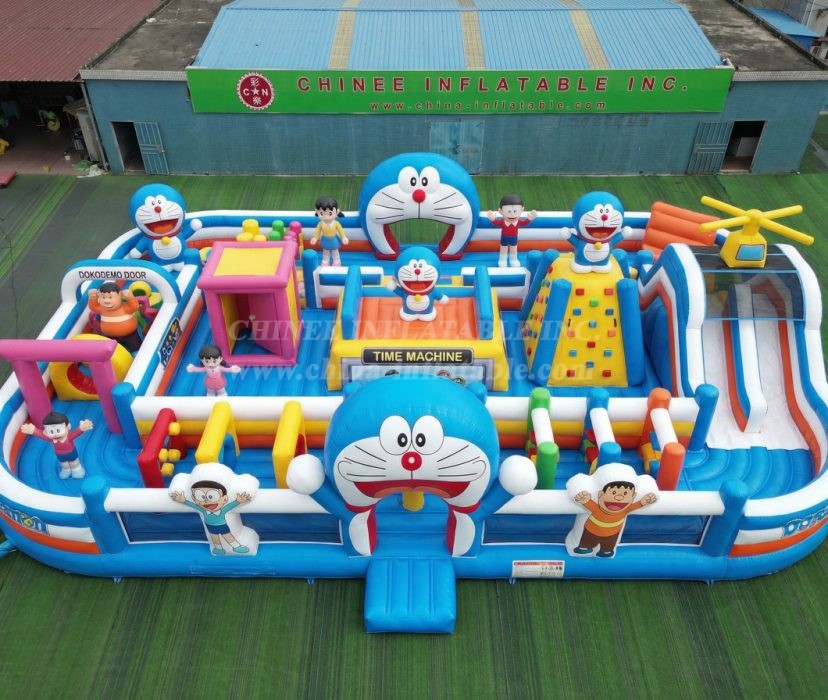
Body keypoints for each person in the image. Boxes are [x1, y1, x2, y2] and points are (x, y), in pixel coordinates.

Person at [572, 480, 657, 557]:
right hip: (591, 531)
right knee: (587, 542)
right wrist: (585, 500)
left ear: (633, 496)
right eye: (613, 493)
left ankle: (606, 551)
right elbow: (588, 503)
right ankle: (585, 547)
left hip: (612, 534)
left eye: (625, 494)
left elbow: (638, 504)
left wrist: (644, 501)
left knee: (608, 545)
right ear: (600, 494)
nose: (618, 498)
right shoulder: (597, 508)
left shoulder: (626, 509)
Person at [170, 480, 251, 555]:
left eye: (212, 496)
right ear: (195, 499)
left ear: (224, 499)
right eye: (201, 496)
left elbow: (230, 506)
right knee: (214, 538)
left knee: (228, 536)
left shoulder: (223, 510)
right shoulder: (203, 510)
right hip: (210, 526)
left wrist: (238, 501)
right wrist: (184, 501)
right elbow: (193, 505)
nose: (206, 501)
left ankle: (236, 546)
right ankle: (219, 548)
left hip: (222, 526)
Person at [20, 411, 93, 479]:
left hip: (71, 453)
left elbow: (76, 433)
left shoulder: (68, 437)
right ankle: (66, 470)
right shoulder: (51, 439)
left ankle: (76, 469)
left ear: (68, 427)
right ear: (46, 432)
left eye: (58, 430)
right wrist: (33, 430)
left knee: (74, 462)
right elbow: (41, 435)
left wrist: (81, 428)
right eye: (51, 431)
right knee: (64, 464)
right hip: (60, 455)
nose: (55, 434)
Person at [88, 281, 142, 352]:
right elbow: (93, 306)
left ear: (120, 295)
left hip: (130, 336)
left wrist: (130, 297)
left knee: (137, 349)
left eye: (110, 297)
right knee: (110, 351)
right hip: (110, 337)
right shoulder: (102, 309)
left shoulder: (125, 308)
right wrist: (92, 298)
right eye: (103, 297)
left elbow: (135, 307)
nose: (107, 301)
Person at [487, 194, 537, 268]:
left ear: (522, 210)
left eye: (515, 211)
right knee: (503, 249)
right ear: (501, 211)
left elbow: (524, 223)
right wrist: (493, 219)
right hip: (504, 237)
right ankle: (502, 260)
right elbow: (497, 223)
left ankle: (513, 260)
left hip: (514, 238)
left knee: (513, 249)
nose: (512, 214)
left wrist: (529, 219)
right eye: (509, 211)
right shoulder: (503, 222)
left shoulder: (518, 222)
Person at [310, 196, 348, 266]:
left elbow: (341, 230)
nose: (326, 217)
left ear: (337, 212)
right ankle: (325, 262)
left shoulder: (336, 223)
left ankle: (336, 262)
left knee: (335, 252)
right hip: (325, 240)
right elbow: (317, 231)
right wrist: (315, 238)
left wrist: (344, 237)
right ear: (317, 212)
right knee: (325, 252)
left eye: (330, 213)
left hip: (334, 240)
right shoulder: (321, 224)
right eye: (322, 213)